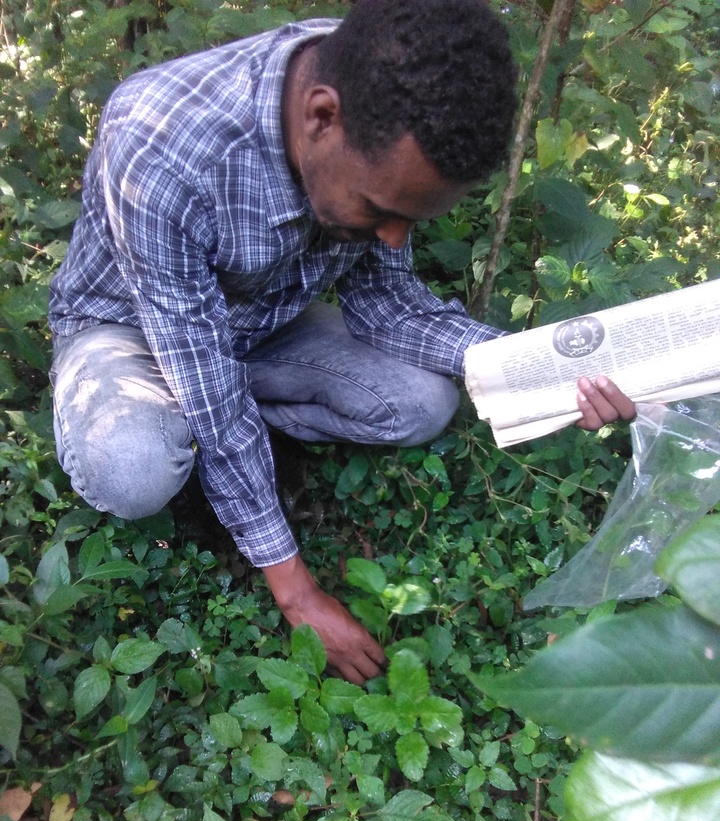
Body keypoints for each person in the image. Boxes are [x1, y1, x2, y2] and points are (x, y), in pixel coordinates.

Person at [48, 0, 635, 685]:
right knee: (133, 465)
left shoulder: (396, 95)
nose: (393, 237)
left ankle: (231, 440)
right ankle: (200, 446)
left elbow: (389, 306)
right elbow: (201, 373)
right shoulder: (161, 144)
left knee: (421, 403)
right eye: (380, 211)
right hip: (128, 328)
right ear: (320, 117)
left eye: (409, 220)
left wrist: (545, 370)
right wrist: (297, 594)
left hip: (260, 323)